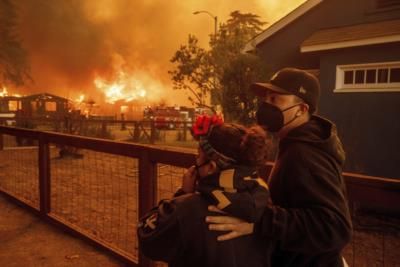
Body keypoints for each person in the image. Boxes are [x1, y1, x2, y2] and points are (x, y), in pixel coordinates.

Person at [206, 68, 352, 267]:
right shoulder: (296, 142)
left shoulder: (305, 154)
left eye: (275, 99)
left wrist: (259, 221)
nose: (266, 105)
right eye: (266, 98)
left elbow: (334, 227)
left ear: (301, 109)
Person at [137, 115, 273, 267]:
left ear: (211, 167)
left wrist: (182, 194)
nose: (196, 161)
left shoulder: (187, 209)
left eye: (199, 156)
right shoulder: (265, 208)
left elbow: (148, 240)